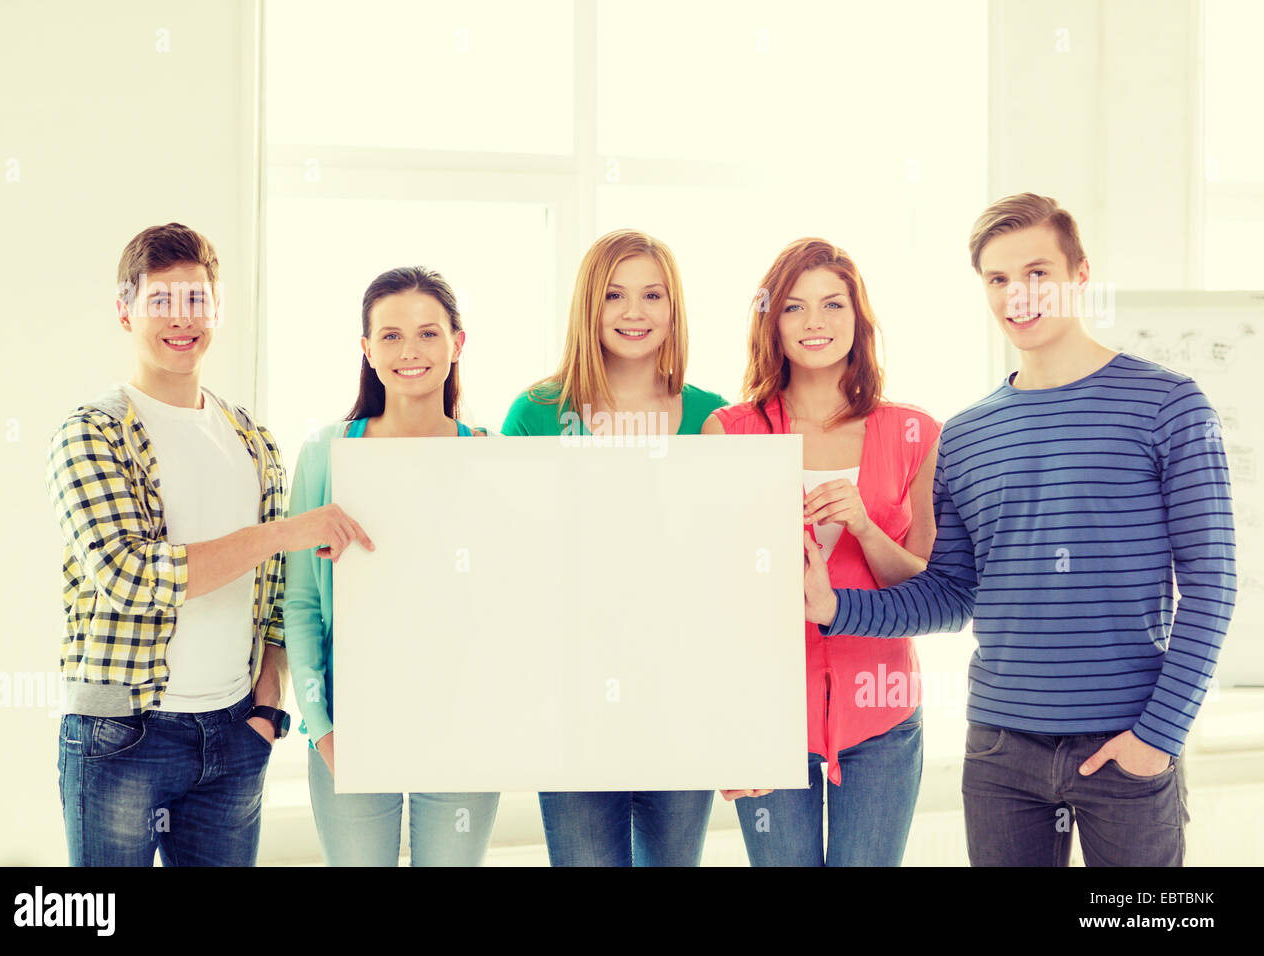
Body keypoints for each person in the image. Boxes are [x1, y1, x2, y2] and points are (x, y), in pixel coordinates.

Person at [803, 193, 1237, 866]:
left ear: (1080, 275)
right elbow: (949, 595)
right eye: (998, 280)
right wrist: (836, 608)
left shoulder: (1169, 405)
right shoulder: (968, 434)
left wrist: (1158, 737)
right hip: (1001, 753)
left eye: (1038, 273)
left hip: (1128, 744)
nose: (1018, 296)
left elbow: (1212, 586)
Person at [46, 223, 369, 866]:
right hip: (121, 737)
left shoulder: (253, 441)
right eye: (160, 300)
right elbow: (133, 577)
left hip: (233, 734)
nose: (181, 319)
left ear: (216, 309)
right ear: (125, 309)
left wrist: (267, 710)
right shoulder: (92, 434)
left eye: (196, 300)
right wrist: (288, 530)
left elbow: (276, 593)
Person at [703, 238, 939, 866]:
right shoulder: (730, 432)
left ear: (859, 319)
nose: (815, 323)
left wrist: (865, 527)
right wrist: (730, 729)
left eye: (833, 304)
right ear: (770, 322)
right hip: (769, 713)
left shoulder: (913, 432)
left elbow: (925, 586)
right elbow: (714, 599)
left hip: (882, 716)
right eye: (794, 307)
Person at [501, 228, 727, 866]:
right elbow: (510, 557)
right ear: (588, 307)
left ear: (673, 308)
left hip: (680, 696)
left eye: (653, 294)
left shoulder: (714, 417)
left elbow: (730, 576)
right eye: (615, 295)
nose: (635, 312)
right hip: (572, 699)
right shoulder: (538, 413)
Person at [285, 265, 501, 866]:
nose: (411, 351)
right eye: (391, 336)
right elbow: (300, 602)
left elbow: (508, 599)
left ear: (458, 343)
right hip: (353, 727)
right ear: (366, 349)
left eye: (429, 334)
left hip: (464, 726)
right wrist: (321, 727)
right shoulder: (326, 453)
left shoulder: (492, 457)